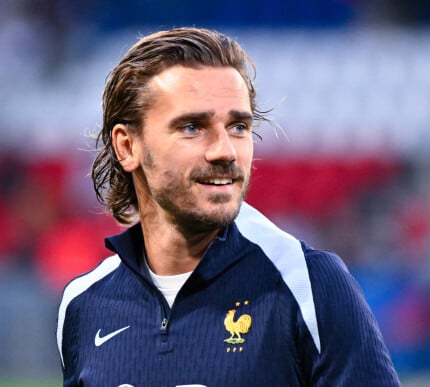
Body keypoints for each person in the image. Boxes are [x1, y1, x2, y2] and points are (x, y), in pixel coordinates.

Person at [56, 27, 401, 386]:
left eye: (238, 126)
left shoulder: (307, 284)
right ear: (127, 146)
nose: (225, 150)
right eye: (192, 127)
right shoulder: (83, 305)